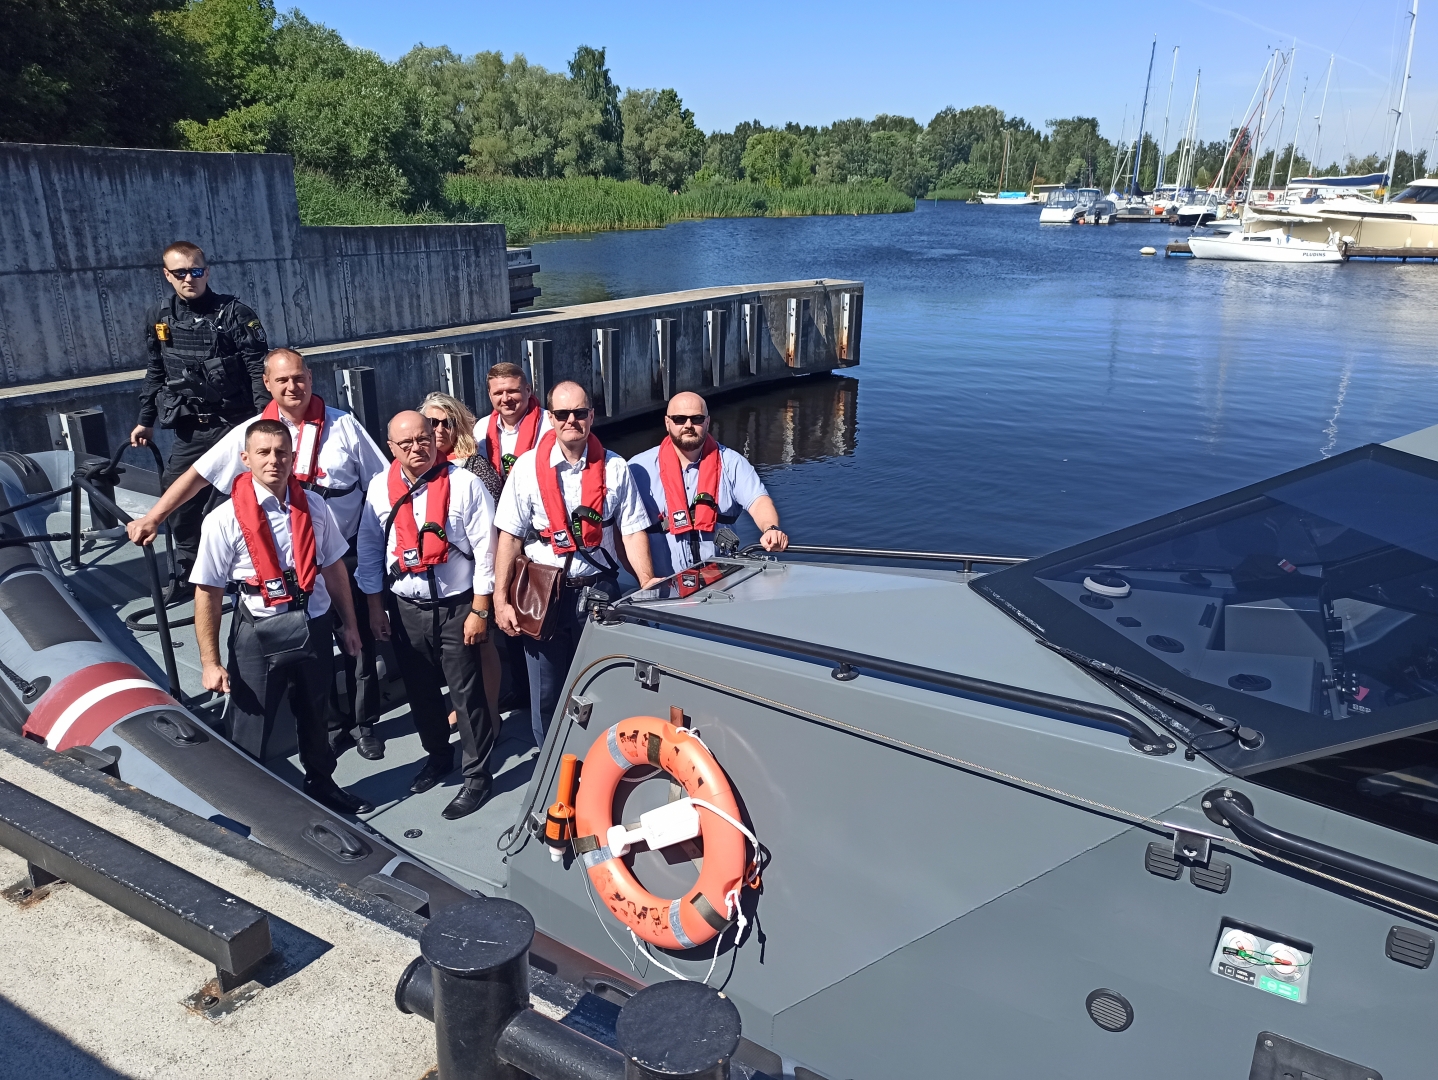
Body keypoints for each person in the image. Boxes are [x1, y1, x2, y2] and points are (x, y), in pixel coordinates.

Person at [126, 349, 390, 760]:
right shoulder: (253, 434)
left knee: (356, 642)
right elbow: (198, 475)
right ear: (267, 384)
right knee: (307, 657)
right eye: (282, 380)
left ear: (310, 378)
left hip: (341, 551)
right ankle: (328, 725)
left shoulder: (345, 427)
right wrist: (154, 516)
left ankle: (363, 723)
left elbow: (383, 483)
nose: (292, 387)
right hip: (280, 570)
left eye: (298, 378)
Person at [190, 419, 371, 816]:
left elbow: (333, 568)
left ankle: (322, 784)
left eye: (281, 452)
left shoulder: (315, 506)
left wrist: (350, 625)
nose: (274, 460)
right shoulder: (222, 520)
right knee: (251, 720)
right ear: (246, 458)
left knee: (316, 711)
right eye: (264, 452)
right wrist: (210, 662)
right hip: (258, 629)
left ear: (293, 457)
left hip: (312, 622)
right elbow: (208, 592)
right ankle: (244, 804)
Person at [493, 381, 659, 749]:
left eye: (580, 413)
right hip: (543, 594)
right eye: (563, 414)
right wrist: (500, 599)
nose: (572, 420)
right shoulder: (526, 469)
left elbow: (632, 531)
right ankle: (552, 766)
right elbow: (509, 537)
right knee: (547, 692)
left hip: (599, 589)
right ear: (550, 418)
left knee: (605, 682)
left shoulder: (615, 467)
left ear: (592, 416)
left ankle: (601, 762)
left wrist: (647, 580)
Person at [357, 411, 498, 820]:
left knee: (466, 694)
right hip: (405, 608)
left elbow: (486, 552)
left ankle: (477, 777)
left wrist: (480, 610)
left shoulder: (465, 484)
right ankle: (438, 756)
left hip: (457, 607)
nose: (417, 448)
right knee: (420, 691)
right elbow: (369, 549)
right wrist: (375, 606)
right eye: (406, 443)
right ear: (391, 448)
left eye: (424, 439)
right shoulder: (379, 488)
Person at [130, 241, 270, 600]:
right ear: (167, 275)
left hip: (235, 425)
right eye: (180, 273)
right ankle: (191, 573)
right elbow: (156, 369)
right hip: (191, 428)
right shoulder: (160, 316)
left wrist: (263, 424)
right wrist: (145, 420)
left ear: (206, 271)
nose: (188, 278)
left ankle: (246, 571)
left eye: (195, 271)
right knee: (178, 500)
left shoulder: (235, 314)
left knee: (240, 502)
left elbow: (259, 371)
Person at [418, 391, 504, 738]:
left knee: (482, 647)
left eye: (447, 422)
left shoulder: (475, 468)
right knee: (451, 654)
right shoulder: (416, 469)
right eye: (431, 422)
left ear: (459, 427)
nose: (439, 429)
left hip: (473, 578)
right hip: (436, 581)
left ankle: (492, 714)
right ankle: (462, 707)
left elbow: (494, 530)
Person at [629, 392, 790, 577]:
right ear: (667, 422)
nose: (688, 425)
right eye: (680, 419)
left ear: (707, 422)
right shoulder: (638, 469)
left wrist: (771, 528)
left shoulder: (732, 463)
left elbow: (759, 501)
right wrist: (645, 580)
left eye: (696, 419)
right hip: (664, 585)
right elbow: (624, 531)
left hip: (723, 583)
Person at [473, 362, 545, 481]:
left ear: (528, 390)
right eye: (498, 393)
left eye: (512, 391)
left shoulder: (550, 424)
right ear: (490, 395)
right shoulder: (481, 428)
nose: (505, 399)